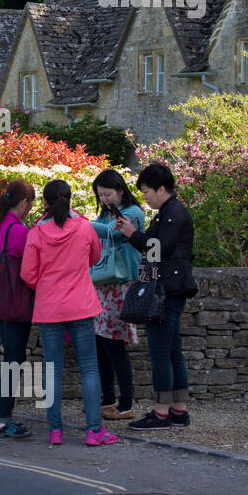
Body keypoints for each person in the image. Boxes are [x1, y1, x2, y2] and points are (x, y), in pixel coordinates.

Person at [21, 179, 118, 447]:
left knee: (52, 371)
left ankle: (55, 430)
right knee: (89, 368)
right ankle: (94, 430)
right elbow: (96, 258)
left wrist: (46, 283)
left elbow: (28, 274)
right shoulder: (84, 227)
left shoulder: (37, 232)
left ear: (44, 202)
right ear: (70, 199)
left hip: (49, 307)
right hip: (81, 304)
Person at [116, 163, 198, 430]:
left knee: (161, 353)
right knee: (173, 352)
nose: (145, 197)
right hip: (170, 288)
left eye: (147, 191)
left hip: (167, 291)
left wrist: (132, 234)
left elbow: (157, 249)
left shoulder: (172, 213)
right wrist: (132, 232)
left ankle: (161, 413)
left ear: (162, 188)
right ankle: (178, 411)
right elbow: (150, 247)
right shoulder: (167, 212)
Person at [90, 169, 146, 421]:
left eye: (108, 193)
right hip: (104, 284)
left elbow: (111, 233)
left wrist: (77, 222)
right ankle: (108, 399)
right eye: (101, 195)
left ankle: (126, 403)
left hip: (121, 284)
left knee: (113, 344)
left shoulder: (132, 213)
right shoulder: (105, 214)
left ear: (121, 190)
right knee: (101, 343)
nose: (105, 199)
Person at [0, 180, 37, 439]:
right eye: (30, 204)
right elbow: (30, 269)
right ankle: (1, 420)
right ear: (24, 202)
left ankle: (2, 418)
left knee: (11, 358)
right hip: (15, 302)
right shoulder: (19, 231)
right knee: (14, 361)